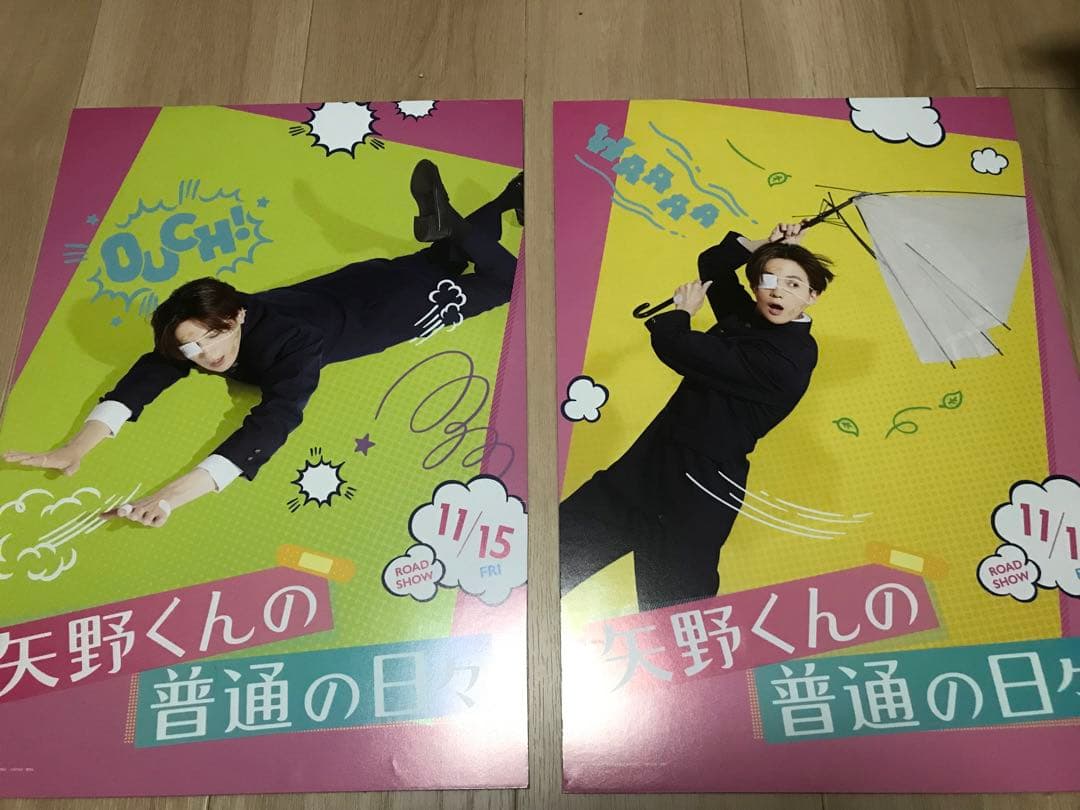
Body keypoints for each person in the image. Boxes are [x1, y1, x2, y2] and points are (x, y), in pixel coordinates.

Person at [3, 160, 523, 527]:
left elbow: (273, 424)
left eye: (214, 337)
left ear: (237, 317)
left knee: (507, 280)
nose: (207, 355)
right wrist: (76, 447)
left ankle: (456, 220)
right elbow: (145, 377)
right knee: (445, 255)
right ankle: (503, 201)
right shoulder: (220, 311)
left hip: (396, 307)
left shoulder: (292, 347)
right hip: (363, 280)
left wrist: (171, 497)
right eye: (191, 347)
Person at [559, 222, 834, 612]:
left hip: (697, 496)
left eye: (794, 284)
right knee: (544, 557)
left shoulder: (788, 360)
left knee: (672, 619)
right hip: (645, 470)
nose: (778, 291)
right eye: (769, 280)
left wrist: (683, 313)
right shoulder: (749, 318)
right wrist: (766, 245)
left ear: (813, 295)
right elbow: (713, 265)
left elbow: (680, 348)